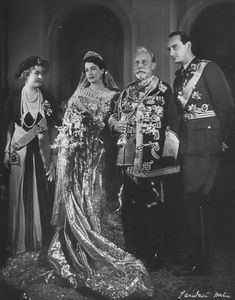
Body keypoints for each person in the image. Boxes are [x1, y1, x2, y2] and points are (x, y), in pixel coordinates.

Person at [46, 51, 154, 299]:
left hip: (96, 154)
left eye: (94, 68)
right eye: (86, 69)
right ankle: (72, 249)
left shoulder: (114, 96)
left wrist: (103, 122)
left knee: (93, 199)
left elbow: (113, 125)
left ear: (103, 71)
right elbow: (67, 122)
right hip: (73, 154)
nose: (90, 73)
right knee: (72, 199)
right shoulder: (77, 94)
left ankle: (96, 249)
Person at [167, 31, 233, 276]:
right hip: (188, 146)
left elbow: (225, 105)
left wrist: (221, 140)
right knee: (193, 202)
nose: (172, 52)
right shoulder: (178, 78)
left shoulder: (208, 69)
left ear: (188, 45)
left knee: (197, 200)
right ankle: (197, 256)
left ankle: (200, 261)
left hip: (205, 144)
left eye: (175, 47)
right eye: (169, 49)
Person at [108, 46, 179, 271]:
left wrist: (167, 158)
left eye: (144, 62)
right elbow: (113, 116)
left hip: (153, 158)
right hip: (128, 159)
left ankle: (156, 252)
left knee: (154, 206)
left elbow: (173, 122)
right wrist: (114, 124)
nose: (140, 66)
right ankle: (135, 250)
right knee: (131, 205)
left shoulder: (164, 90)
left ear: (154, 65)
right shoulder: (126, 91)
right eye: (137, 62)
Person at [2, 56, 56, 255]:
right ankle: (18, 241)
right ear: (26, 75)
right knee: (17, 194)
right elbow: (9, 126)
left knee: (40, 192)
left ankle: (38, 241)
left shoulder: (48, 96)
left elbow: (52, 129)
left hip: (40, 153)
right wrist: (6, 151)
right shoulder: (15, 97)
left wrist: (53, 156)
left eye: (42, 73)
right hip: (19, 151)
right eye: (36, 73)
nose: (41, 76)